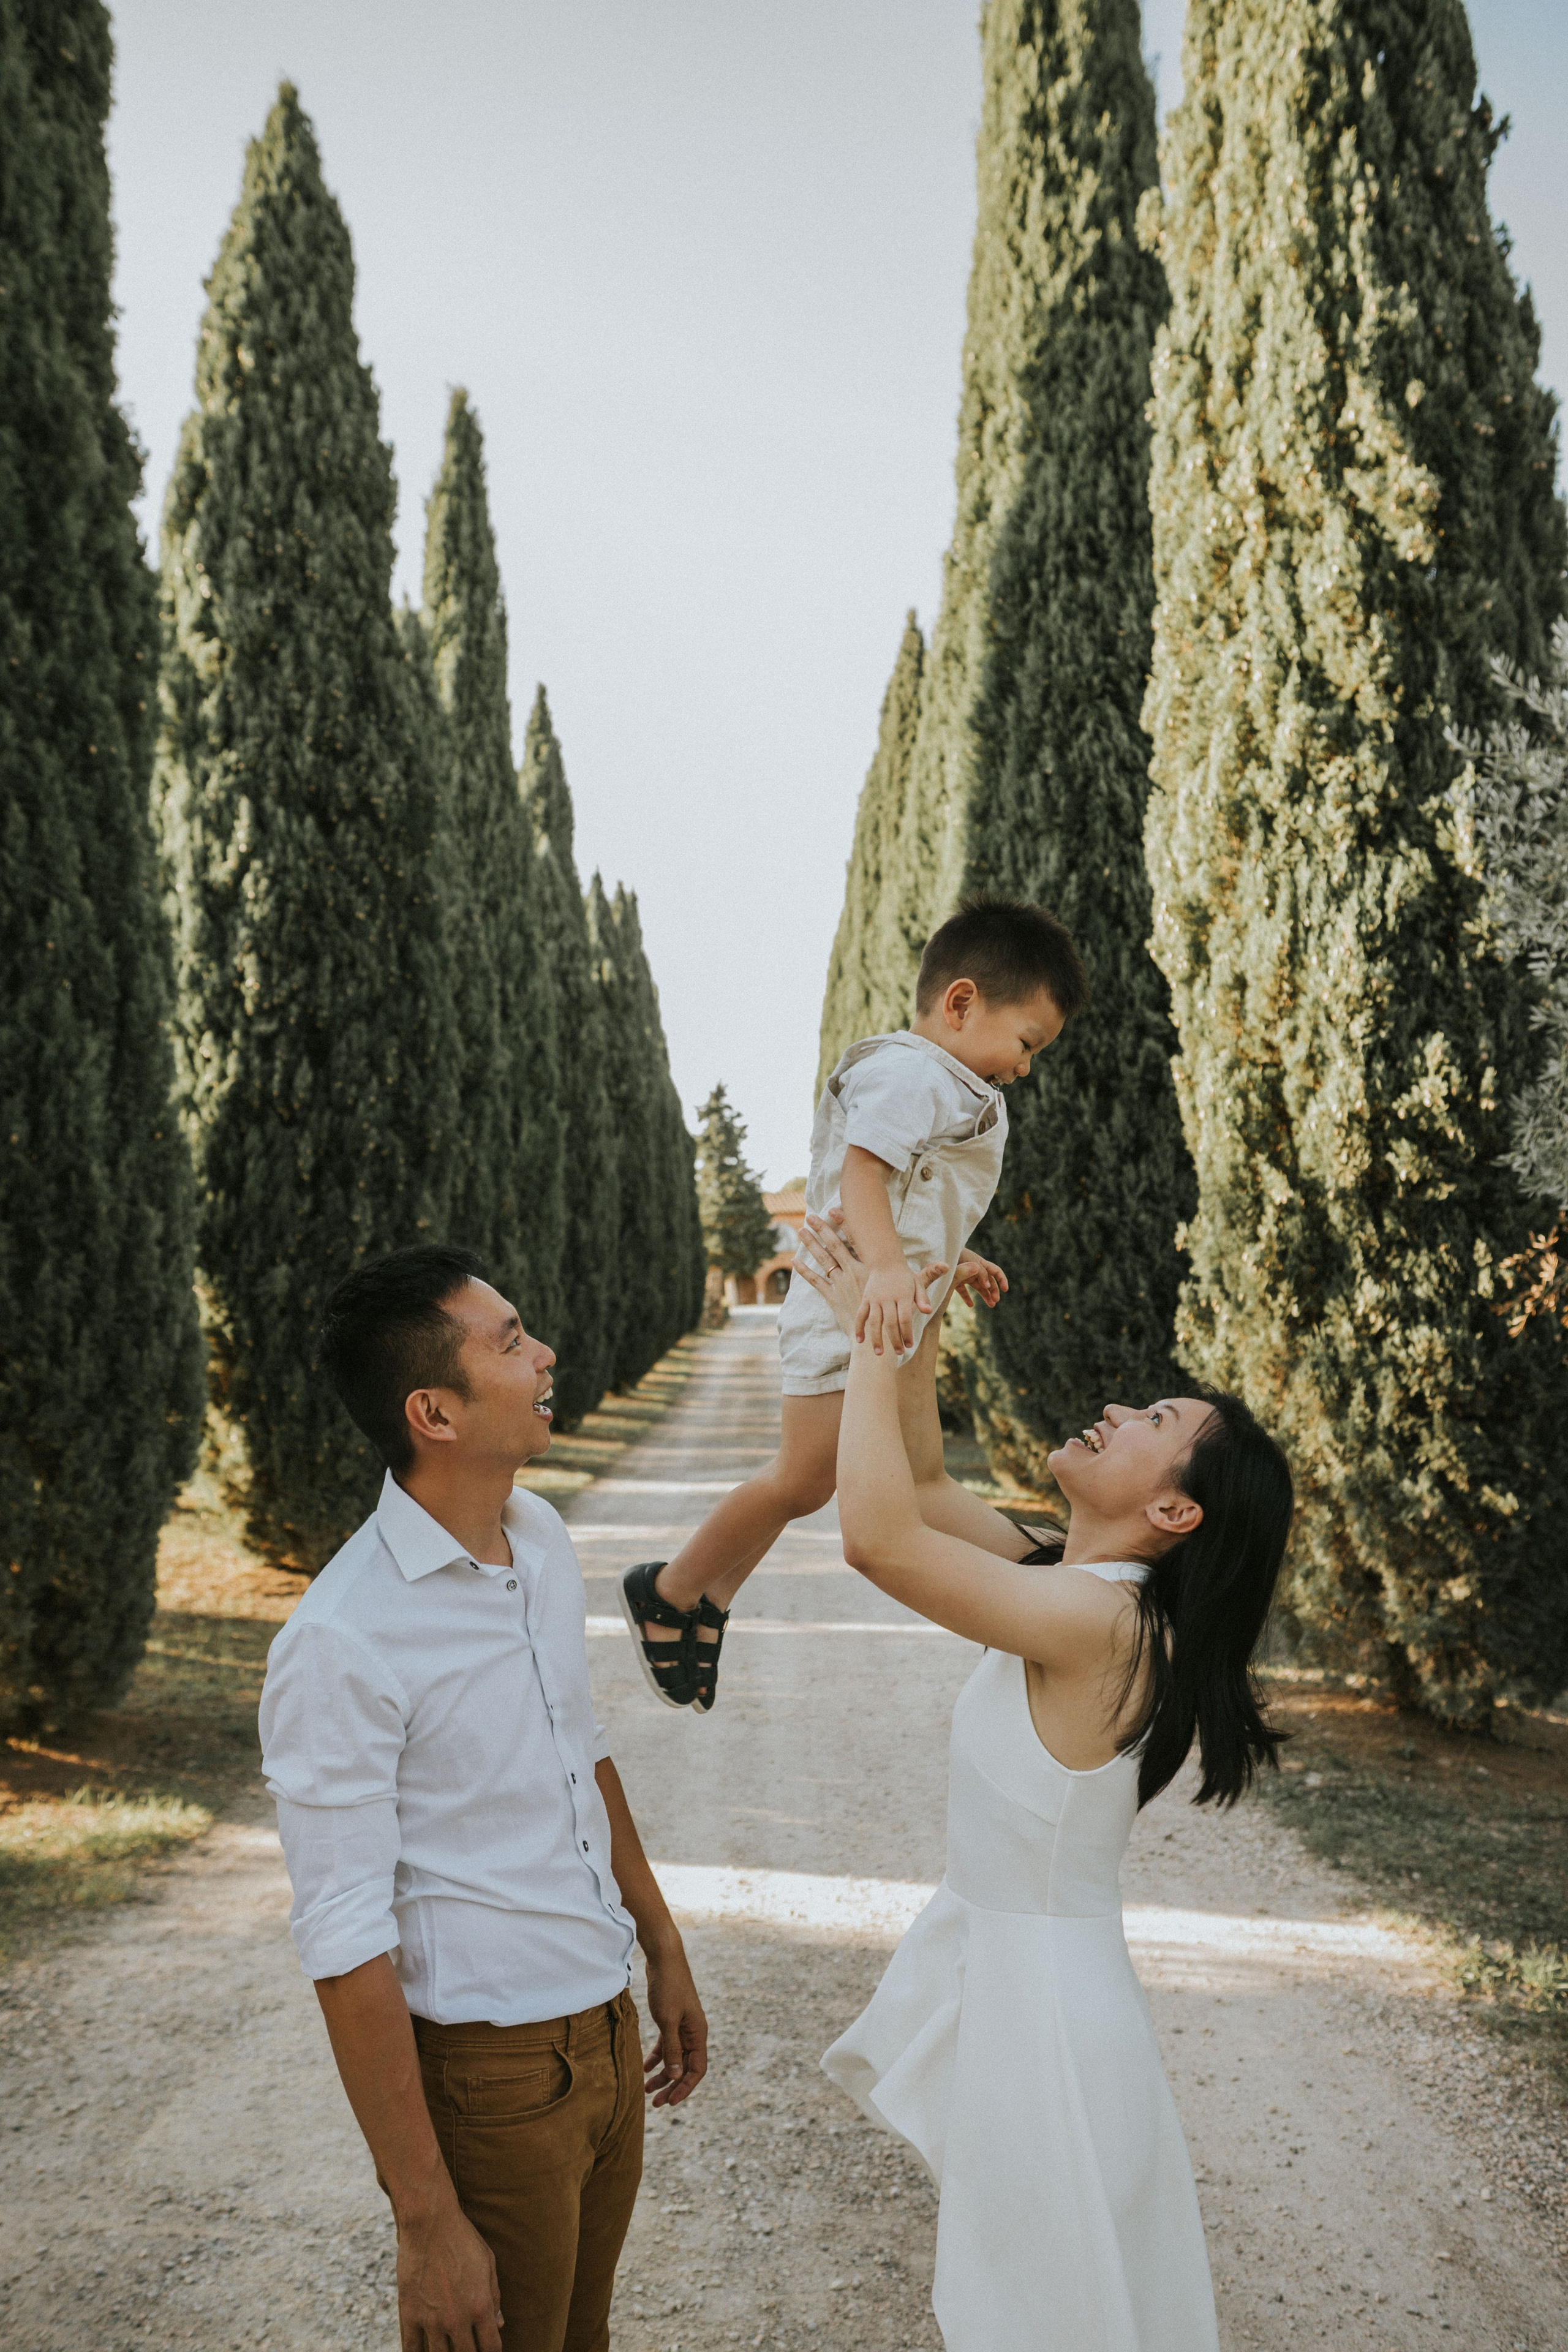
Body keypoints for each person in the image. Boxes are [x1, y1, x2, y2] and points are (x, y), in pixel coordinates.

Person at [793, 1212, 1293, 2352]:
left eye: (1152, 1421)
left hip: (1050, 2026)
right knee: (1041, 2309)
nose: (1117, 1409)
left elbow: (874, 1538)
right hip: (1030, 1992)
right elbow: (916, 1483)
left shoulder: (1101, 1626)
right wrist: (912, 1324)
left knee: (1041, 2318)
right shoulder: (1079, 1589)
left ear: (1175, 1511)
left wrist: (866, 1332)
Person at [258, 1243, 707, 2352]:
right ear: (435, 1412)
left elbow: (580, 1750)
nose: (546, 1351)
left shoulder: (542, 1539)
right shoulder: (340, 1639)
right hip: (491, 2082)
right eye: (509, 1341)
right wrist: (425, 2219)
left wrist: (658, 1940)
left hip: (603, 2037)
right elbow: (344, 1940)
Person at [619, 895, 1090, 1711]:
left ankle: (1047, 1573)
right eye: (1026, 1043)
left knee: (916, 1477)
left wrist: (950, 1257)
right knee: (803, 1481)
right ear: (961, 1003)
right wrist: (883, 1270)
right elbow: (863, 1172)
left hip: (889, 1304)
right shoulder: (914, 1074)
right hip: (852, 1307)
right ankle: (670, 1588)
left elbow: (909, 1194)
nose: (1024, 1066)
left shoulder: (953, 1083)